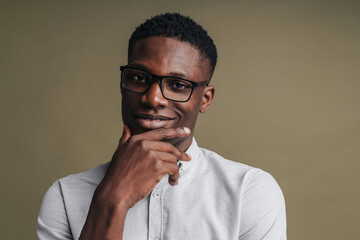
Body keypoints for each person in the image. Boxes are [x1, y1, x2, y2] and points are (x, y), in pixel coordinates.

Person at [38, 13, 287, 240]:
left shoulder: (249, 191)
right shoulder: (64, 196)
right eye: (139, 78)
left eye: (178, 85)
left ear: (205, 99)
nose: (153, 98)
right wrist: (113, 197)